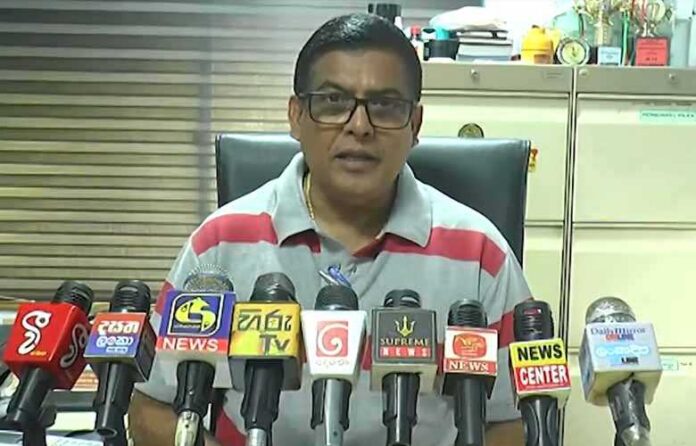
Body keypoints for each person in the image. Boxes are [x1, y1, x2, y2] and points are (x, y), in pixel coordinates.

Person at [129, 12, 529, 446]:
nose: (359, 126)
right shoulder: (218, 245)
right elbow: (151, 408)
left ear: (414, 125)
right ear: (296, 116)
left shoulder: (481, 255)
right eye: (333, 101)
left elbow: (512, 422)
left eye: (385, 105)